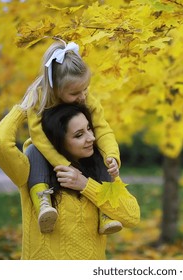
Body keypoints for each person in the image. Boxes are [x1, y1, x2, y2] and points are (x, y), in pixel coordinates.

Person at [0, 102, 140, 259]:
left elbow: (132, 216)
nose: (91, 138)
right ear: (57, 141)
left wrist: (85, 185)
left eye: (89, 128)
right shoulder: (29, 170)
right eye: (79, 135)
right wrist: (23, 108)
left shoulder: (101, 169)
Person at [21, 38, 122, 234]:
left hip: (78, 150)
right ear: (55, 89)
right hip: (48, 153)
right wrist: (64, 164)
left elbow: (102, 127)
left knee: (100, 151)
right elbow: (40, 139)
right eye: (75, 93)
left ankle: (106, 211)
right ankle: (44, 204)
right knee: (33, 148)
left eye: (85, 89)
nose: (82, 96)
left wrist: (112, 154)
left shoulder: (86, 97)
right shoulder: (39, 100)